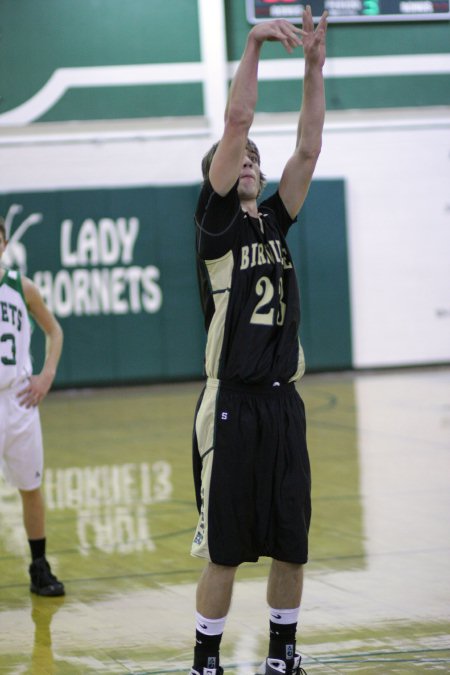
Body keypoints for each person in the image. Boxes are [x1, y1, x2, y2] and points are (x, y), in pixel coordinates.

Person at [189, 6, 327, 675]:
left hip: (283, 402)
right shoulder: (215, 224)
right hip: (231, 402)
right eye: (234, 156)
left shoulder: (274, 218)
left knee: (291, 544)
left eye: (253, 159)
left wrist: (312, 71)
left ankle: (282, 657)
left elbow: (306, 148)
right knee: (225, 547)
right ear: (217, 169)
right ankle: (206, 661)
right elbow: (238, 120)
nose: (246, 157)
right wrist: (252, 43)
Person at [0, 217, 65, 596]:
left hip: (18, 397)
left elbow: (54, 330)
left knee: (31, 486)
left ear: (5, 244)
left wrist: (46, 376)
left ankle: (39, 566)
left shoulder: (21, 287)